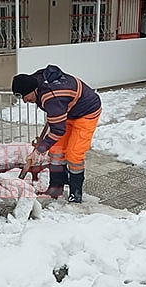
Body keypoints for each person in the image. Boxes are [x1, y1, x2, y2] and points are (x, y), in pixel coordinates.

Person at [11, 65, 102, 203]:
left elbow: (58, 130)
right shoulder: (36, 82)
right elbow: (56, 120)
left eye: (25, 96)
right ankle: (56, 188)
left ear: (33, 90)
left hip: (87, 112)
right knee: (56, 151)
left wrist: (39, 150)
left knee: (74, 153)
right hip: (68, 110)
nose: (24, 101)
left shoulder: (51, 96)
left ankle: (75, 194)